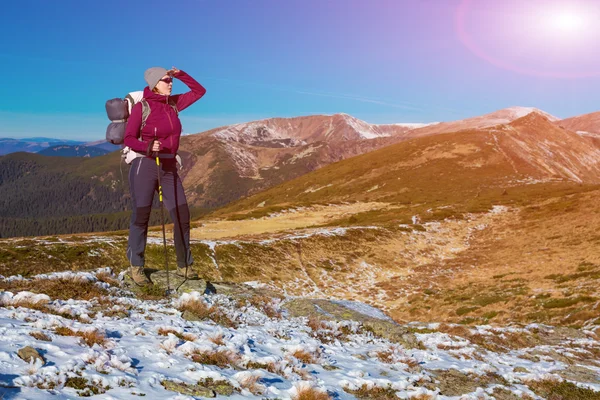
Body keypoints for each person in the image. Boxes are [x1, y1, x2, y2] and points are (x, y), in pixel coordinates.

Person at [124, 66, 206, 285]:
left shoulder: (174, 104)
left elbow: (199, 92)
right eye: (165, 80)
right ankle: (136, 266)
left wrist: (181, 74)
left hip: (169, 165)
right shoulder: (142, 108)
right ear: (154, 84)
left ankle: (184, 266)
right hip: (145, 164)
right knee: (141, 216)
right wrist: (148, 145)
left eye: (171, 80)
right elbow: (129, 138)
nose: (170, 83)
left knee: (181, 215)